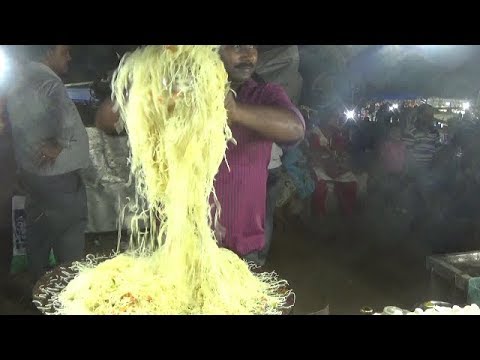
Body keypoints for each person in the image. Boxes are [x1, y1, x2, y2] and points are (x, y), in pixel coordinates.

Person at [7, 45, 90, 282]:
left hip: (33, 175)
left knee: (39, 232)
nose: (70, 57)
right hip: (59, 178)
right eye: (65, 52)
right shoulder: (49, 82)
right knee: (70, 233)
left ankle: (38, 287)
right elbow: (63, 116)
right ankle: (70, 292)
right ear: (48, 52)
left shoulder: (19, 81)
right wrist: (61, 143)